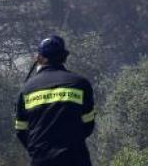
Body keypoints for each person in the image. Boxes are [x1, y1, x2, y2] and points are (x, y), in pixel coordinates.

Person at [15, 35, 95, 166]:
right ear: (64, 57)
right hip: (75, 158)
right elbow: (88, 125)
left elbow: (21, 130)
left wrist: (38, 150)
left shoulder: (26, 89)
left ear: (40, 58)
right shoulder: (80, 84)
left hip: (42, 159)